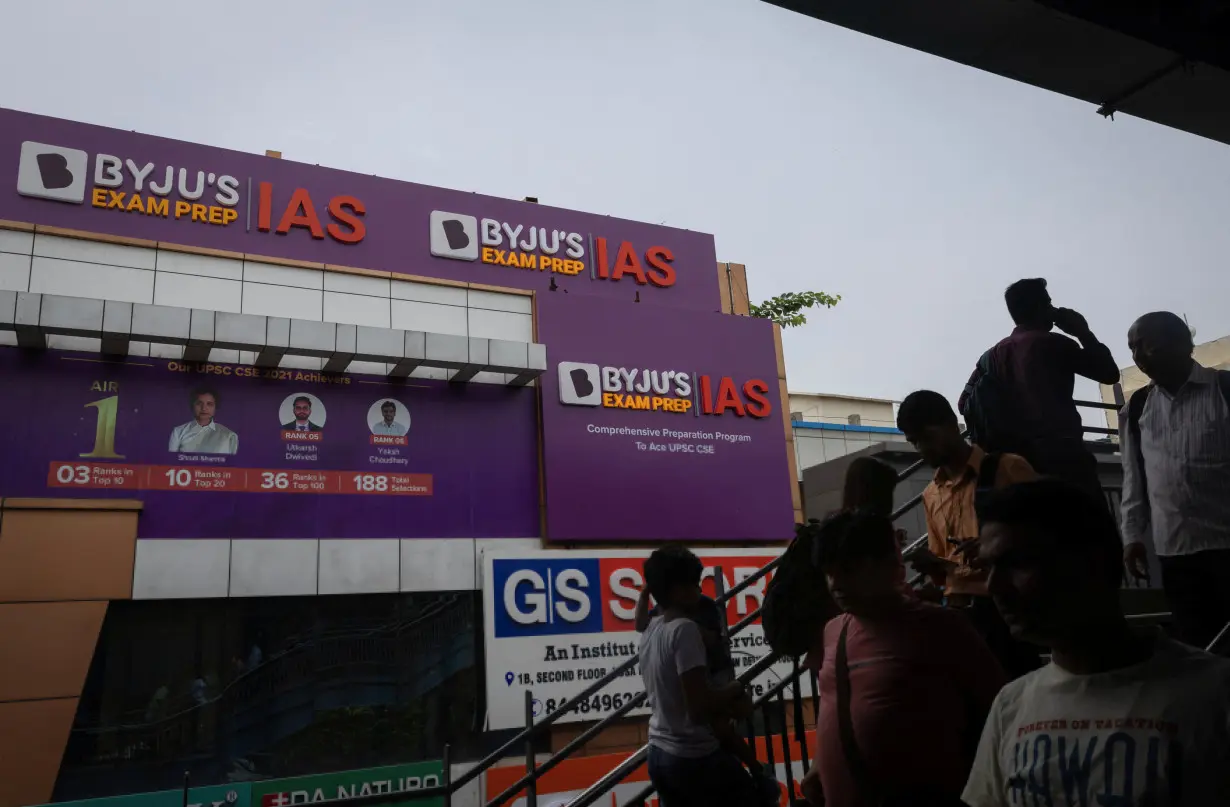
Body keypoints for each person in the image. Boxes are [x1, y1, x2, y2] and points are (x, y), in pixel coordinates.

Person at [963, 479, 1230, 806]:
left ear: (1097, 562)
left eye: (1017, 563)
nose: (994, 587)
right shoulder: (1010, 705)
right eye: (988, 567)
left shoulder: (1215, 694)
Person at [806, 511, 1005, 806]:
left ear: (889, 564)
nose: (835, 583)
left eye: (848, 569)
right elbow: (834, 705)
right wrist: (818, 765)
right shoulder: (834, 631)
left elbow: (997, 716)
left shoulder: (941, 628)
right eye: (829, 571)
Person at [897, 390, 1041, 678]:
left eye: (925, 437)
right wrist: (934, 566)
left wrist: (997, 546)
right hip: (958, 617)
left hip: (1007, 612)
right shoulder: (931, 495)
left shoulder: (1007, 468)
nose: (921, 448)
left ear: (953, 424)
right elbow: (948, 569)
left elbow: (1050, 534)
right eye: (914, 442)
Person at [1121, 311, 1230, 649]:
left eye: (1146, 345)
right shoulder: (1138, 407)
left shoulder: (1224, 389)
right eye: (1132, 348)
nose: (1138, 356)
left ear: (1183, 343)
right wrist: (1132, 536)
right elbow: (1133, 479)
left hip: (1227, 545)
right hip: (1176, 553)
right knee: (1199, 647)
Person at [958, 278, 1118, 500]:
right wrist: (1083, 332)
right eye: (1049, 304)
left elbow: (963, 403)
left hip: (1012, 463)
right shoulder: (1054, 343)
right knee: (1088, 528)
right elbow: (1109, 373)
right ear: (1041, 307)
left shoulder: (990, 356)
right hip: (1064, 459)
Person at [639, 546, 760, 807]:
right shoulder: (685, 630)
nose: (699, 590)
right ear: (677, 590)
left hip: (659, 752)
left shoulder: (652, 628)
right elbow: (697, 708)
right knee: (761, 794)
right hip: (692, 757)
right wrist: (735, 688)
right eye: (694, 584)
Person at [168, 387, 238, 454]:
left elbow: (231, 464)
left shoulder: (229, 436)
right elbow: (171, 461)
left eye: (209, 404)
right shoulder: (178, 432)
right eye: (199, 403)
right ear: (192, 405)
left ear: (215, 407)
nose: (204, 408)